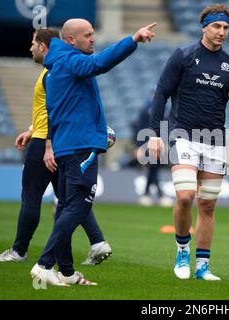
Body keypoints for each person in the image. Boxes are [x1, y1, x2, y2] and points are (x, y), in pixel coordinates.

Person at [30, 19, 156, 286]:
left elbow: (53, 112)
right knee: (79, 206)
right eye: (87, 35)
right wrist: (132, 40)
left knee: (65, 207)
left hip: (67, 147)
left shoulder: (53, 69)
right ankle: (44, 264)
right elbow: (99, 64)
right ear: (70, 40)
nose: (93, 38)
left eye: (93, 33)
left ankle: (65, 272)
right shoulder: (71, 61)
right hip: (81, 148)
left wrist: (52, 144)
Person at [148, 4, 229, 281]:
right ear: (204, 27)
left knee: (207, 206)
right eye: (217, 26)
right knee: (185, 197)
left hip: (215, 141)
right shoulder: (183, 55)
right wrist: (154, 134)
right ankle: (183, 250)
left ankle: (202, 266)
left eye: (226, 28)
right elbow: (160, 94)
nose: (222, 32)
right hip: (183, 136)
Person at [0, 28, 112, 266]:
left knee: (32, 196)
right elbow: (48, 110)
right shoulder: (55, 70)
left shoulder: (53, 71)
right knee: (70, 200)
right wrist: (31, 129)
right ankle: (97, 243)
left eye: (33, 43)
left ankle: (18, 250)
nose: (30, 47)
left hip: (48, 144)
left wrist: (45, 142)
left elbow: (56, 111)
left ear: (44, 46)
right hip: (53, 141)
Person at [136, 97, 173, 207]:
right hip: (148, 143)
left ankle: (146, 194)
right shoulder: (146, 110)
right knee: (153, 167)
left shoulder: (166, 110)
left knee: (154, 168)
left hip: (160, 143)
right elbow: (140, 128)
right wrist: (139, 146)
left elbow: (168, 127)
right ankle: (159, 195)